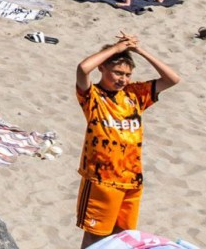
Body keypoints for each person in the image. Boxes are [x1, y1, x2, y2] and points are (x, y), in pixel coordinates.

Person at [74, 34, 179, 245]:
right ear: (102, 68)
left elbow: (172, 79)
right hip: (101, 180)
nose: (123, 79)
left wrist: (140, 52)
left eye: (127, 74)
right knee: (95, 237)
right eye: (118, 73)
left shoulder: (134, 95)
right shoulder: (93, 96)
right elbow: (83, 68)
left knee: (122, 238)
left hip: (131, 179)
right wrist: (116, 48)